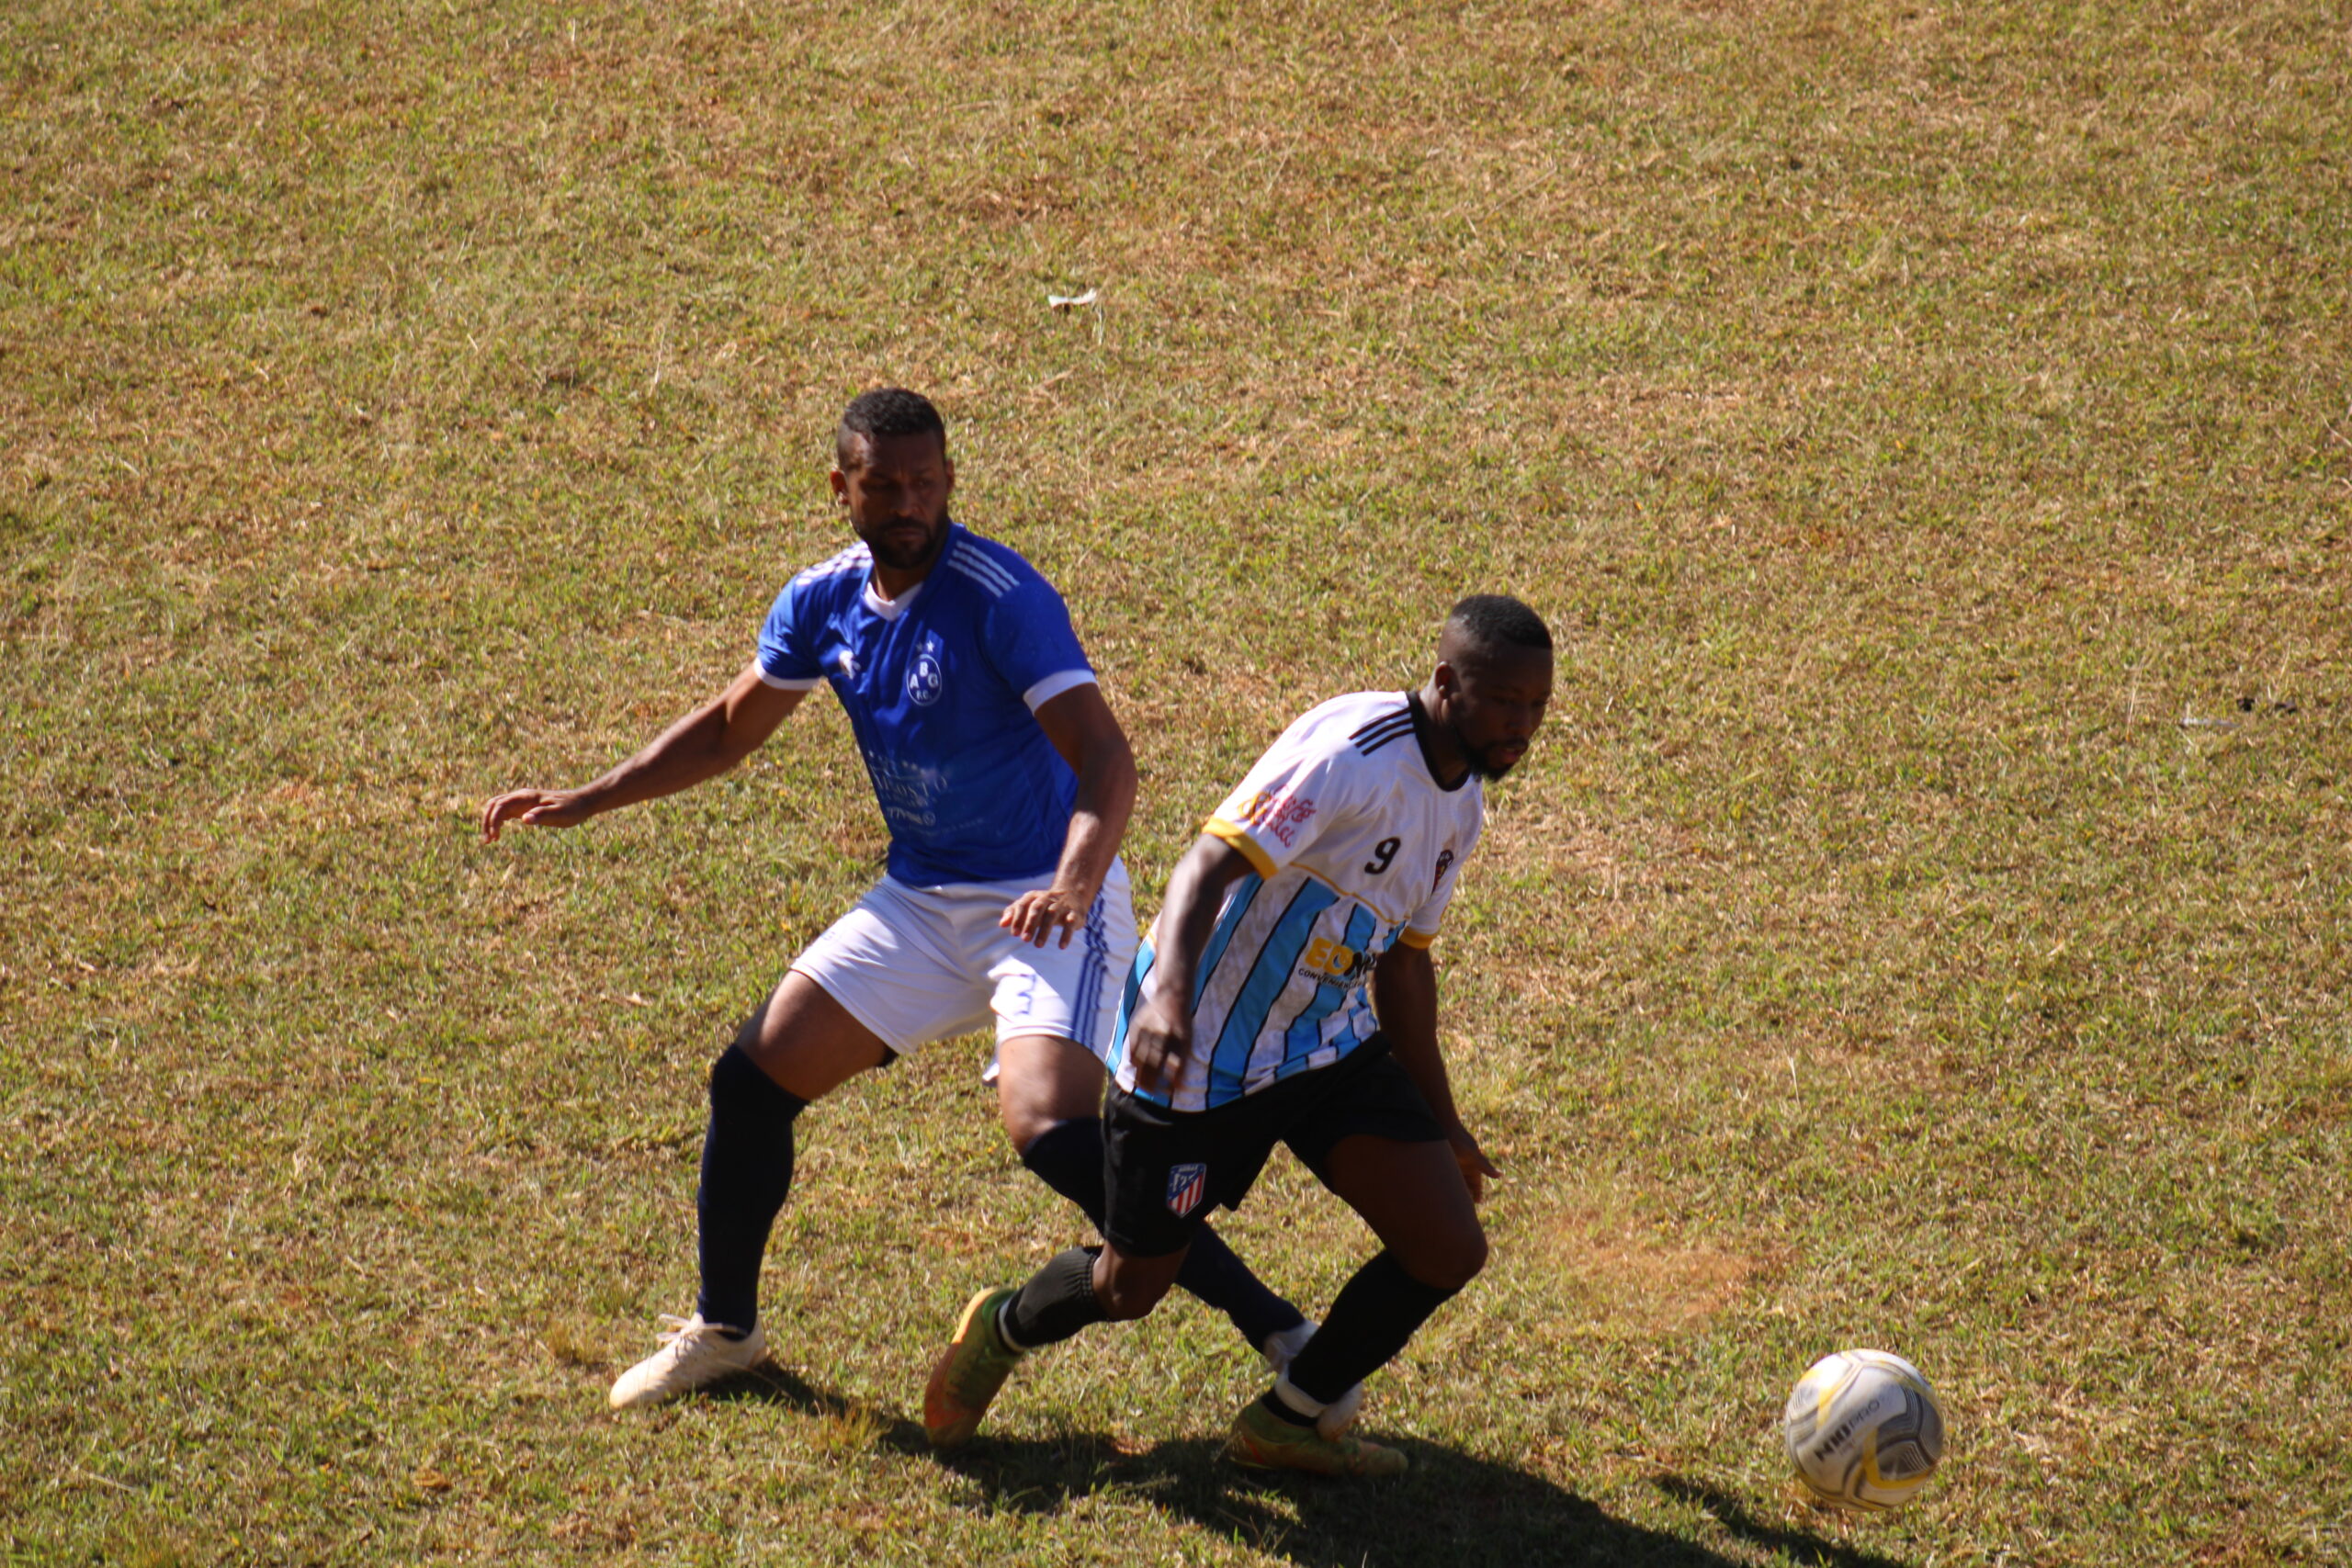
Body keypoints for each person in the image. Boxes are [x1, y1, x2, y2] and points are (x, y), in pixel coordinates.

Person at [483, 388, 1309, 1408]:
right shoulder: (822, 600)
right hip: (921, 901)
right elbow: (731, 727)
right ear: (841, 489)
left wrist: (1074, 882)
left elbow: (1105, 756)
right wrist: (591, 795)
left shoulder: (1000, 597)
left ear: (950, 479)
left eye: (926, 482)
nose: (909, 503)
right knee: (751, 1081)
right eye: (884, 486)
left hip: (1048, 900)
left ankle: (1277, 1326)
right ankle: (725, 1331)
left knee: (1048, 1130)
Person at [922, 594, 1554, 1476]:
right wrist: (1169, 1000)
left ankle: (1287, 1421)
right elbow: (1204, 865)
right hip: (1194, 1053)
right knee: (1128, 1286)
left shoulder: (1465, 806)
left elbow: (1405, 966)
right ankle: (1006, 1324)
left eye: (1537, 705)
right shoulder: (1348, 756)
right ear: (1447, 681)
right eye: (1504, 702)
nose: (1523, 725)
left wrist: (1445, 1121)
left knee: (1449, 1247)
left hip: (1322, 1045)